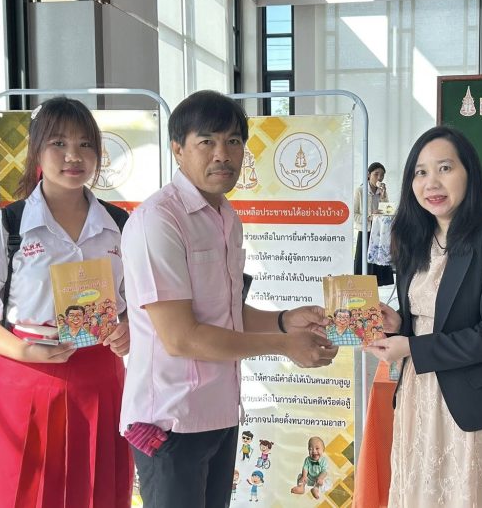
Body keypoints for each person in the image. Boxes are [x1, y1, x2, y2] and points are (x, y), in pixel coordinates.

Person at [120, 90, 338, 507]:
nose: (223, 154)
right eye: (207, 141)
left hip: (219, 411)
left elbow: (227, 312)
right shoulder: (158, 221)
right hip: (171, 420)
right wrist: (283, 344)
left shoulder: (226, 217)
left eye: (233, 141)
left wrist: (284, 320)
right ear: (178, 149)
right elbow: (181, 337)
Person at [0, 97, 133, 507]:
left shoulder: (121, 226)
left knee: (100, 490)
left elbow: (138, 304)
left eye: (85, 144)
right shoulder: (4, 228)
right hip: (27, 375)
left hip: (102, 377)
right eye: (58, 143)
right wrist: (23, 351)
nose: (73, 156)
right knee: (23, 492)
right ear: (36, 150)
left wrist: (128, 329)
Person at [366, 126, 482, 507]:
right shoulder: (414, 235)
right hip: (419, 394)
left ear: (468, 172)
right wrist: (398, 325)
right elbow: (428, 316)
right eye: (421, 172)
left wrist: (412, 347)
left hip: (473, 402)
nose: (432, 183)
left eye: (445, 168)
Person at [353, 162, 395, 285]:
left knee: (379, 265)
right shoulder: (360, 191)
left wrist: (383, 196)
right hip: (365, 232)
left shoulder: (382, 191)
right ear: (368, 175)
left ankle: (377, 289)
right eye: (376, 174)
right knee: (364, 266)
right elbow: (353, 215)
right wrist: (370, 217)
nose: (379, 178)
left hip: (380, 233)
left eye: (382, 175)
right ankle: (363, 290)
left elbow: (388, 211)